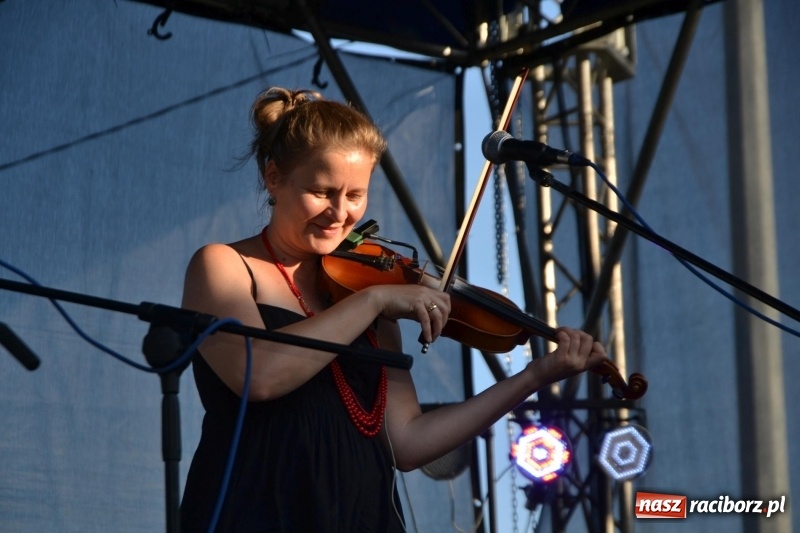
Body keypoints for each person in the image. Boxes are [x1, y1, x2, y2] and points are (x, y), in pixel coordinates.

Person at [179, 86, 607, 532]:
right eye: (322, 191)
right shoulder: (225, 266)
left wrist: (535, 377)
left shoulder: (364, 297)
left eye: (355, 196)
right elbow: (260, 376)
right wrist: (375, 300)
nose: (340, 213)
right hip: (256, 513)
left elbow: (406, 443)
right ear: (273, 178)